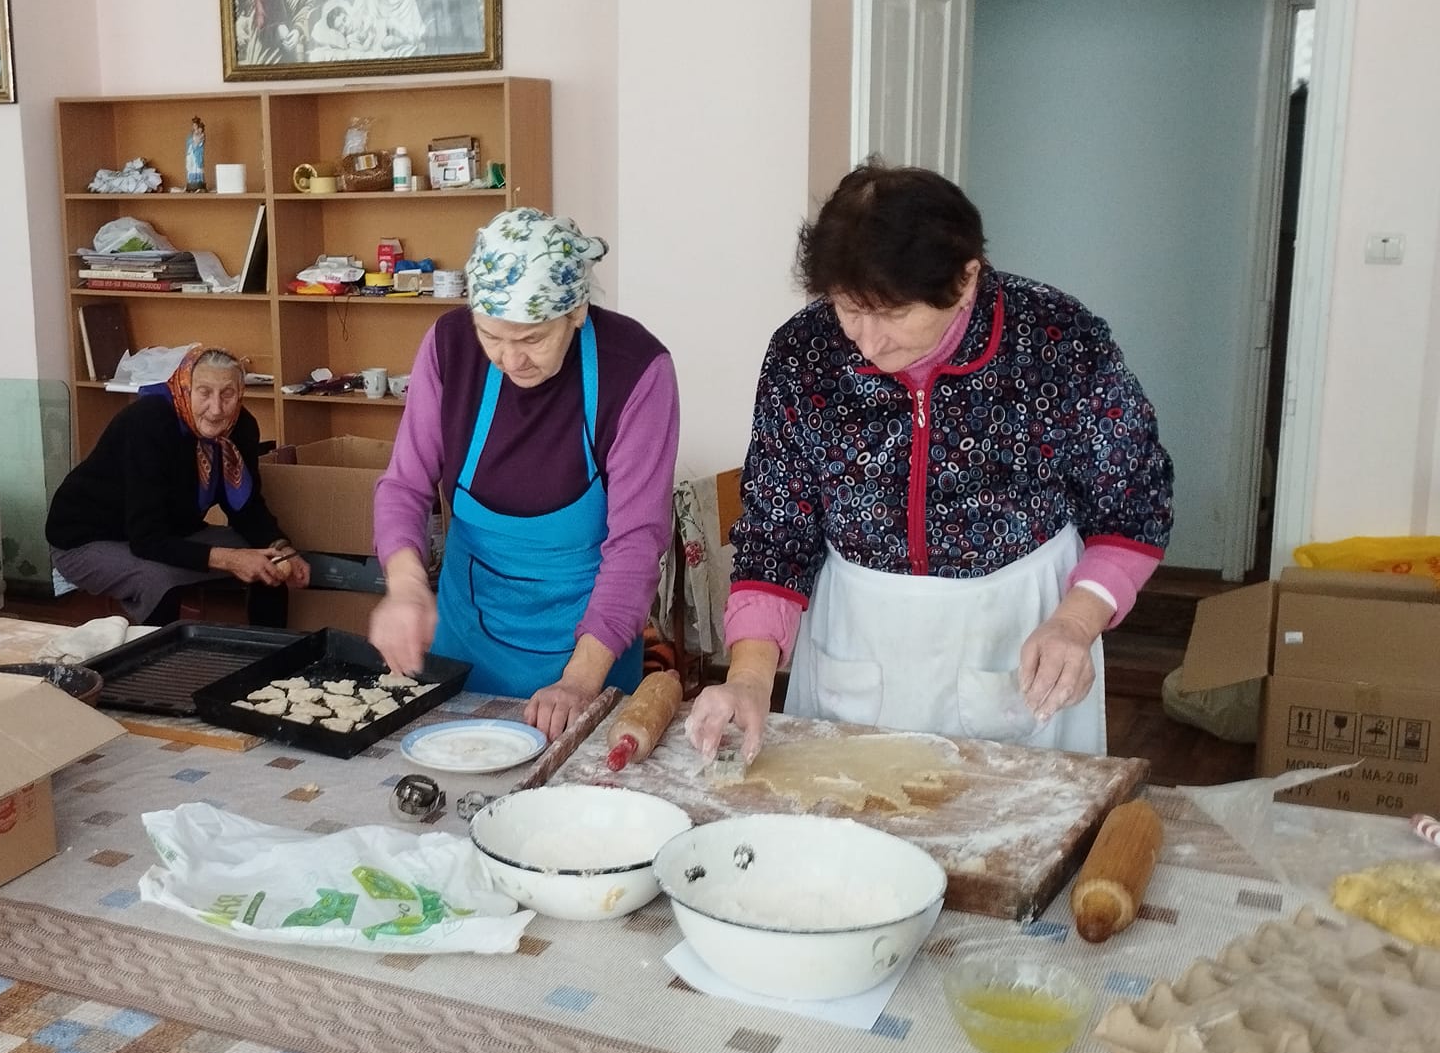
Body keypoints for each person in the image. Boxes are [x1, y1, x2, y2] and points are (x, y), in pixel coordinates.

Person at [688, 163, 1174, 763]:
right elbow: (775, 530)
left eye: (893, 313)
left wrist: (1076, 622)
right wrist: (750, 677)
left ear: (966, 278)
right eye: (847, 308)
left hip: (1022, 624)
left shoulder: (1057, 337)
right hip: (858, 630)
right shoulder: (804, 350)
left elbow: (1133, 506)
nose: (867, 341)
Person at [370, 209, 679, 738]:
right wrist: (405, 586)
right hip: (463, 645)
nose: (511, 360)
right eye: (492, 336)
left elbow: (636, 544)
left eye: (533, 339)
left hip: (589, 654)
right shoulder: (449, 348)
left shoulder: (635, 370)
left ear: (576, 311)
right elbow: (404, 485)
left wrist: (579, 682)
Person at [46, 348, 309, 626]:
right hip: (88, 539)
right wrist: (230, 559)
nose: (217, 408)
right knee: (160, 579)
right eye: (204, 392)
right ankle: (157, 664)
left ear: (241, 393)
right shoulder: (149, 422)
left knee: (265, 559)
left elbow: (247, 507)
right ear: (185, 388)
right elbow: (146, 538)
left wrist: (283, 549)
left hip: (168, 532)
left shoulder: (240, 427)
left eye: (228, 394)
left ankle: (269, 660)